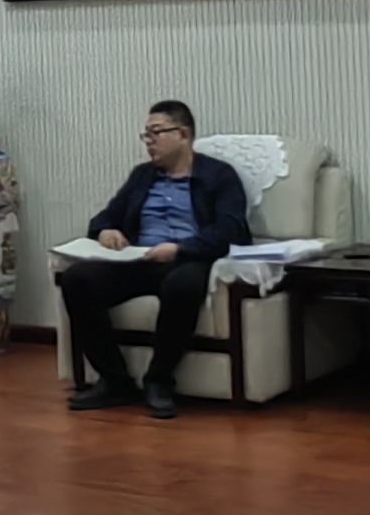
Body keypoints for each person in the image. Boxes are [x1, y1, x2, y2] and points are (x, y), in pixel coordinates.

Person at [60, 101, 251, 420]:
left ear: (183, 135)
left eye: (156, 133)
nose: (149, 142)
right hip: (140, 259)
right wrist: (106, 231)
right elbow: (106, 217)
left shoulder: (218, 175)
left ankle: (159, 381)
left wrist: (179, 249)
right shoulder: (143, 176)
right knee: (77, 279)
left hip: (186, 258)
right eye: (146, 135)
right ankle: (115, 380)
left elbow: (231, 231)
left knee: (183, 284)